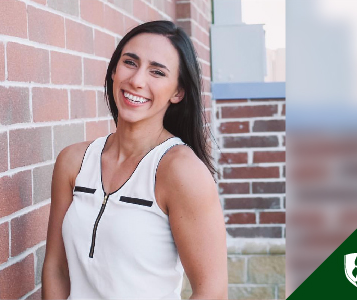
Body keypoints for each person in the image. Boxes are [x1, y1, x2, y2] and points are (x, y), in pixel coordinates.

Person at [42, 21, 227, 299]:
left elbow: (212, 291)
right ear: (114, 70)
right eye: (130, 62)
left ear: (178, 92)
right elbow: (56, 268)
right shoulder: (73, 162)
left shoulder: (180, 171)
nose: (137, 80)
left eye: (157, 72)